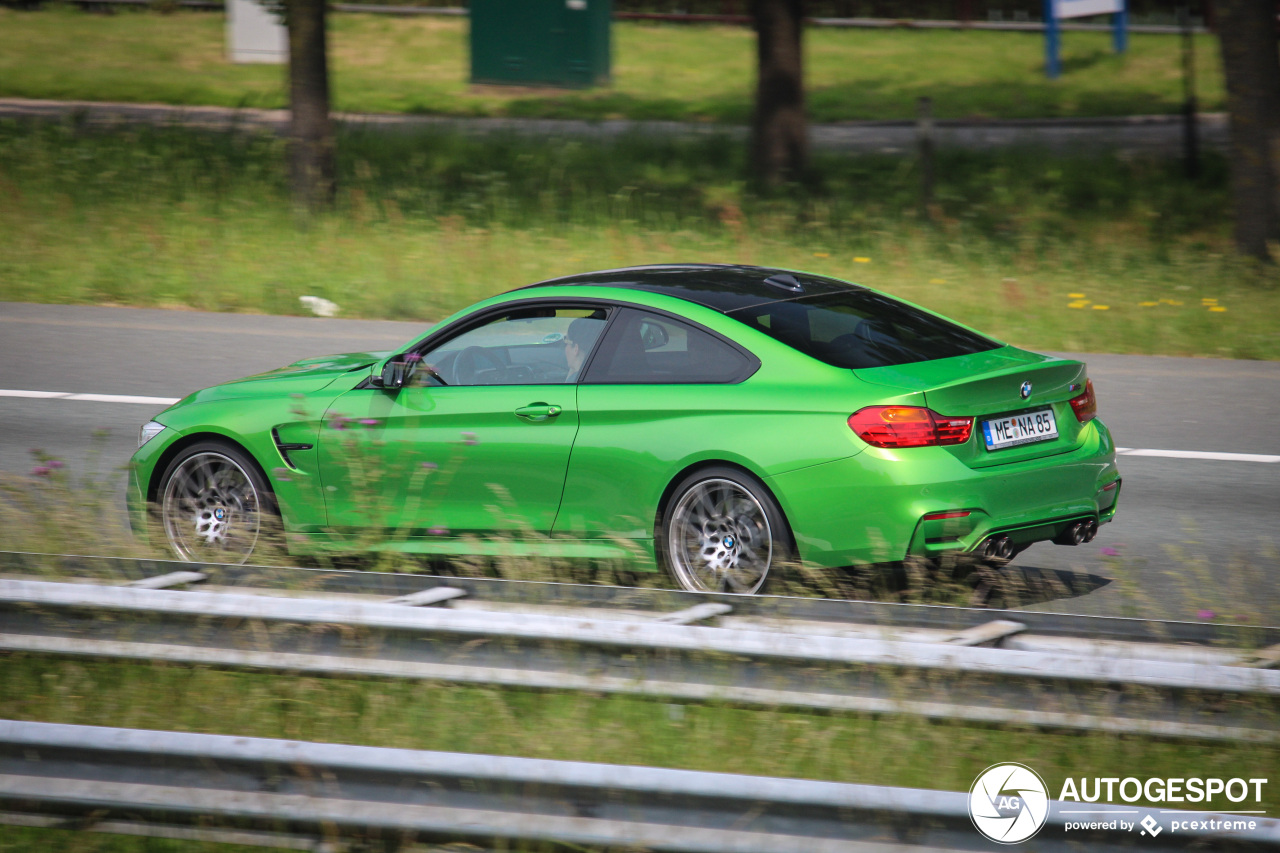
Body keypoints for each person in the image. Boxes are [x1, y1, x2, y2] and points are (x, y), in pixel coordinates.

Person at [563, 316, 602, 383]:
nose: (565, 348)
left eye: (566, 342)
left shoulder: (573, 383)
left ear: (576, 349)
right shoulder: (599, 375)